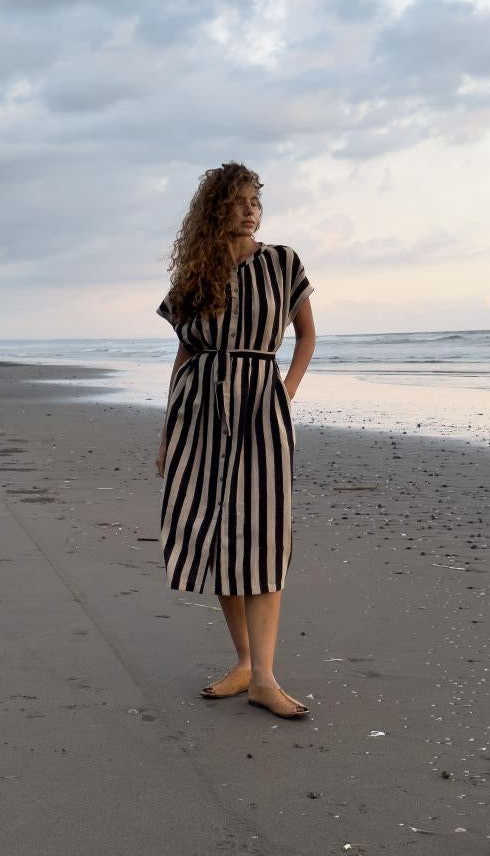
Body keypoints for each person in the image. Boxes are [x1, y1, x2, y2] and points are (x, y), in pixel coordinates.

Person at [155, 162, 316, 719]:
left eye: (256, 201)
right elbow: (183, 352)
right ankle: (244, 663)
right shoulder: (194, 276)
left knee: (265, 533)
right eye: (240, 201)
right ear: (215, 209)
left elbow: (307, 335)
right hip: (198, 409)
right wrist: (167, 431)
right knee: (219, 529)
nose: (251, 209)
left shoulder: (282, 262)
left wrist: (286, 393)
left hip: (261, 406)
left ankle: (266, 679)